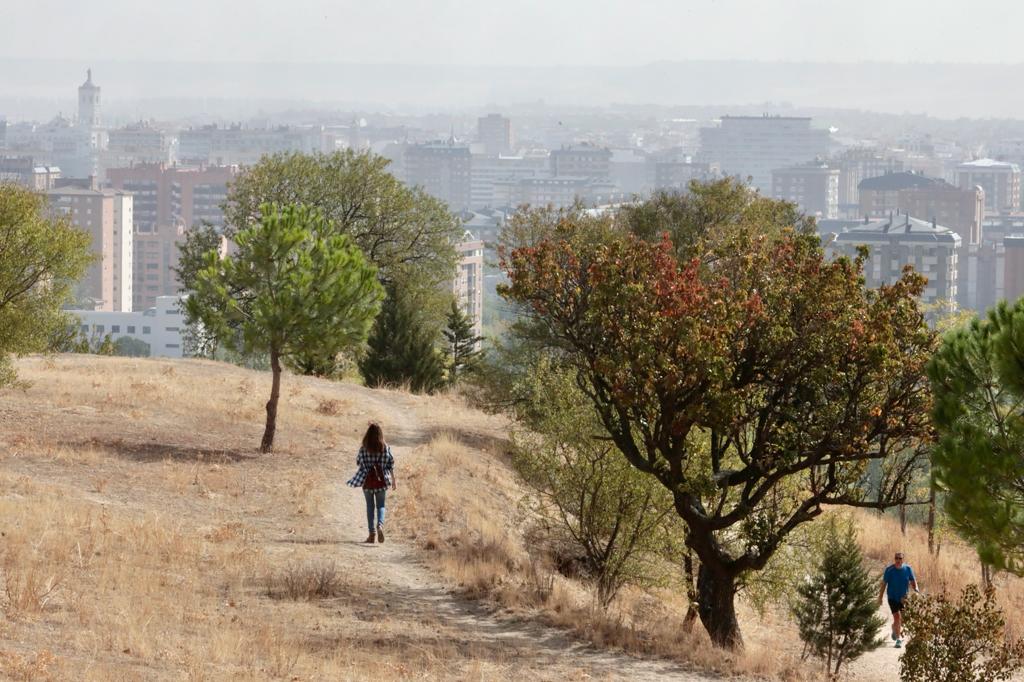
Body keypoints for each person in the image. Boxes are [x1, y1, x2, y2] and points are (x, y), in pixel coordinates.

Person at [346, 422, 396, 543]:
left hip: (367, 481)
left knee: (370, 507)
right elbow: (390, 464)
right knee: (381, 506)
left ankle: (371, 534)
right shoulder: (385, 448)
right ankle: (380, 525)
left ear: (368, 434)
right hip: (382, 481)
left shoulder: (364, 448)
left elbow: (358, 462)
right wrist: (394, 480)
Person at [877, 551, 919, 648]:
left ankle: (894, 628)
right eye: (896, 558)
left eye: (900, 558)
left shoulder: (908, 569)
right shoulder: (889, 570)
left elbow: (913, 581)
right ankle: (898, 639)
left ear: (903, 560)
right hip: (892, 597)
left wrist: (916, 590)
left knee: (902, 619)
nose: (898, 560)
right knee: (897, 617)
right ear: (894, 559)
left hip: (904, 598)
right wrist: (880, 598)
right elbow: (883, 584)